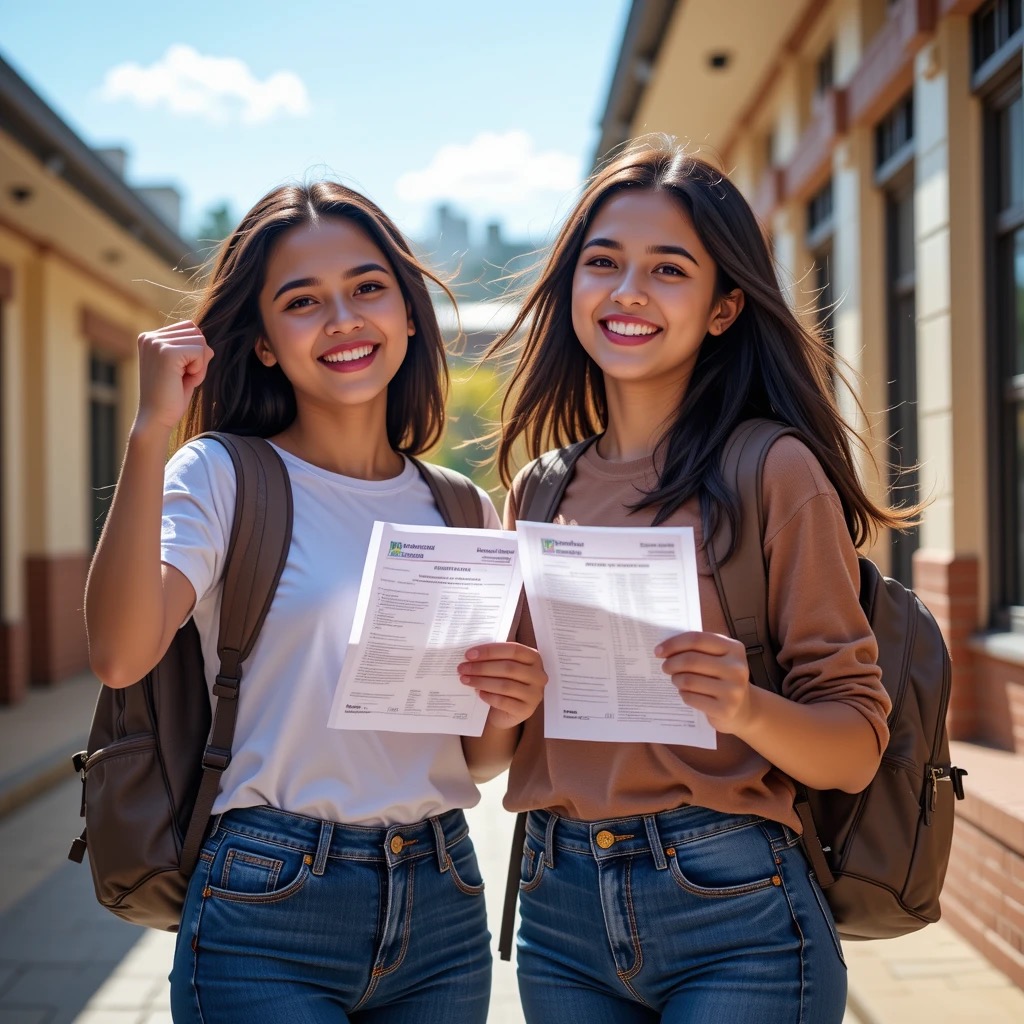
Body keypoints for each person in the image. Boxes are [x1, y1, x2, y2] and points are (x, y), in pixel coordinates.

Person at [467, 136, 911, 1023]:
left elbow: (856, 747)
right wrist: (501, 706)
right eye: (604, 262)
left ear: (723, 307)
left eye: (669, 269)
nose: (628, 291)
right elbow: (486, 762)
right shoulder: (541, 490)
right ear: (573, 290)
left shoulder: (771, 470)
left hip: (734, 907)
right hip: (557, 913)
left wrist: (743, 707)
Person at [84, 180, 546, 1024]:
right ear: (262, 344)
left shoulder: (459, 507)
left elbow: (472, 756)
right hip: (267, 896)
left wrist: (510, 706)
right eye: (303, 301)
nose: (342, 318)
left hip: (440, 894)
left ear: (409, 315)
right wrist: (152, 430)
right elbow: (119, 654)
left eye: (368, 288)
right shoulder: (221, 475)